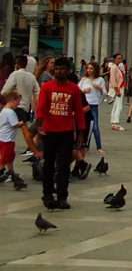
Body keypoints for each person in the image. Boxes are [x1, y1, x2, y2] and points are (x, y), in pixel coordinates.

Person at [37, 57, 88, 210]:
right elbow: (41, 108)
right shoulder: (47, 87)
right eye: (57, 68)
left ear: (68, 70)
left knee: (64, 165)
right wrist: (39, 126)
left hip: (66, 132)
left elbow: (79, 112)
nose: (59, 71)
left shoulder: (74, 89)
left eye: (63, 69)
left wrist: (80, 134)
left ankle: (62, 196)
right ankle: (47, 194)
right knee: (48, 165)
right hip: (50, 131)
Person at [1, 54, 40, 153]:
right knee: (23, 129)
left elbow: (5, 91)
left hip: (15, 106)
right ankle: (32, 149)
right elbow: (37, 91)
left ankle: (34, 151)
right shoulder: (31, 76)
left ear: (17, 64)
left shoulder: (15, 74)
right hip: (26, 106)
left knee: (21, 130)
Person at [77, 62, 105, 154]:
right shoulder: (84, 79)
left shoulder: (100, 79)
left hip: (93, 104)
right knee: (83, 126)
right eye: (88, 68)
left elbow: (105, 92)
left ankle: (99, 146)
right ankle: (83, 144)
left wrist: (99, 88)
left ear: (95, 70)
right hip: (84, 104)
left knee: (95, 126)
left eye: (91, 68)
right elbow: (77, 91)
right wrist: (83, 91)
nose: (89, 70)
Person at [0, 91, 24, 182]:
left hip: (3, 138)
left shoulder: (4, 111)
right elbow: (15, 124)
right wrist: (22, 123)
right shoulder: (10, 112)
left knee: (10, 157)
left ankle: (11, 173)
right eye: (18, 102)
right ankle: (1, 171)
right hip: (7, 140)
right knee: (4, 159)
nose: (18, 104)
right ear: (13, 100)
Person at [107, 53, 125, 131]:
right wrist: (117, 90)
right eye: (118, 58)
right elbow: (113, 79)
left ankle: (114, 122)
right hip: (117, 88)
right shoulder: (113, 67)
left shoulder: (117, 67)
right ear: (114, 59)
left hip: (119, 87)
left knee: (116, 106)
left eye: (120, 58)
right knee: (118, 106)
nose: (120, 60)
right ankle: (116, 123)